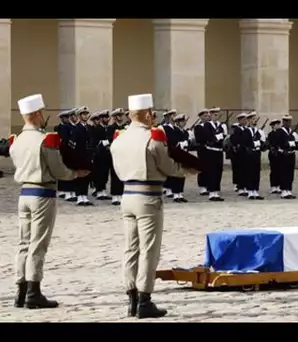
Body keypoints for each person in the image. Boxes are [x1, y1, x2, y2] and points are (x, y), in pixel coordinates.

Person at [110, 93, 188, 318]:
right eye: (152, 113)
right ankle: (144, 299)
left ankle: (132, 297)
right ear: (145, 114)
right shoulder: (153, 138)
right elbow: (168, 166)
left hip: (127, 195)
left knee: (130, 248)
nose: (153, 117)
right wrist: (187, 168)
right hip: (148, 195)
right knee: (149, 250)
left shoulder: (119, 138)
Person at [9, 94, 90, 309]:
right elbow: (58, 170)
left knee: (23, 243)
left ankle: (21, 290)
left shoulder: (17, 141)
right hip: (42, 193)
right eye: (41, 112)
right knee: (38, 244)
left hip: (24, 193)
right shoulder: (45, 140)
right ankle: (34, 292)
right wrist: (76, 174)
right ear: (36, 114)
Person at [273, 114, 298, 199]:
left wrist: (295, 143)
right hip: (283, 154)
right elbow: (276, 143)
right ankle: (284, 190)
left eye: (289, 121)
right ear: (283, 122)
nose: (288, 123)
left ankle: (289, 189)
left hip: (291, 154)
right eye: (287, 121)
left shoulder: (291, 132)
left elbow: (296, 143)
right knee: (284, 172)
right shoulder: (279, 132)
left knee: (290, 172)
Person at [107, 108, 127, 205]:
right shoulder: (111, 128)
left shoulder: (126, 127)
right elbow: (109, 141)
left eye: (122, 115)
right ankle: (115, 195)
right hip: (114, 153)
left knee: (122, 174)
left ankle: (121, 194)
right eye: (119, 115)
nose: (121, 117)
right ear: (115, 117)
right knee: (114, 174)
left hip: (124, 153)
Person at [193, 109, 210, 195]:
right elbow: (199, 138)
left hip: (210, 149)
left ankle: (209, 185)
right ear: (200, 117)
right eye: (204, 116)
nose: (206, 117)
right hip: (202, 149)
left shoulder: (210, 126)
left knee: (210, 168)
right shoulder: (198, 127)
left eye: (207, 116)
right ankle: (202, 187)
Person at [267, 119, 282, 194]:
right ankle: (273, 186)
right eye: (277, 124)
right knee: (273, 170)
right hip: (273, 153)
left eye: (279, 124)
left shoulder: (281, 134)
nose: (278, 126)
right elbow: (270, 143)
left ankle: (279, 185)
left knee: (280, 170)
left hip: (280, 153)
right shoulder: (270, 134)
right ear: (273, 126)